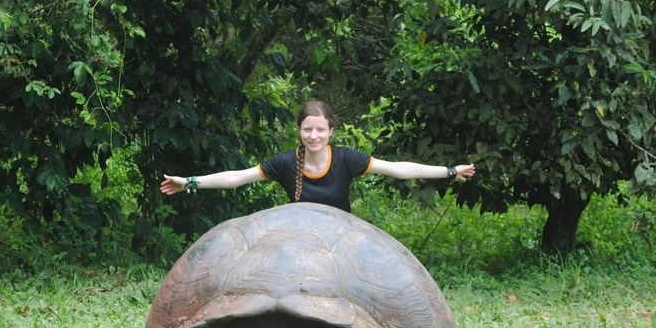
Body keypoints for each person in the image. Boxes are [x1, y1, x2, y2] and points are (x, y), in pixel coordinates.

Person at [160, 100, 475, 213]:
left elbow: (399, 169)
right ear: (299, 130)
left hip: (341, 237)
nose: (313, 136)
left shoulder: (346, 159)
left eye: (320, 130)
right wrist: (189, 182)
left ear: (331, 132)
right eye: (307, 130)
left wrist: (449, 170)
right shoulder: (284, 162)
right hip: (299, 236)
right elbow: (237, 178)